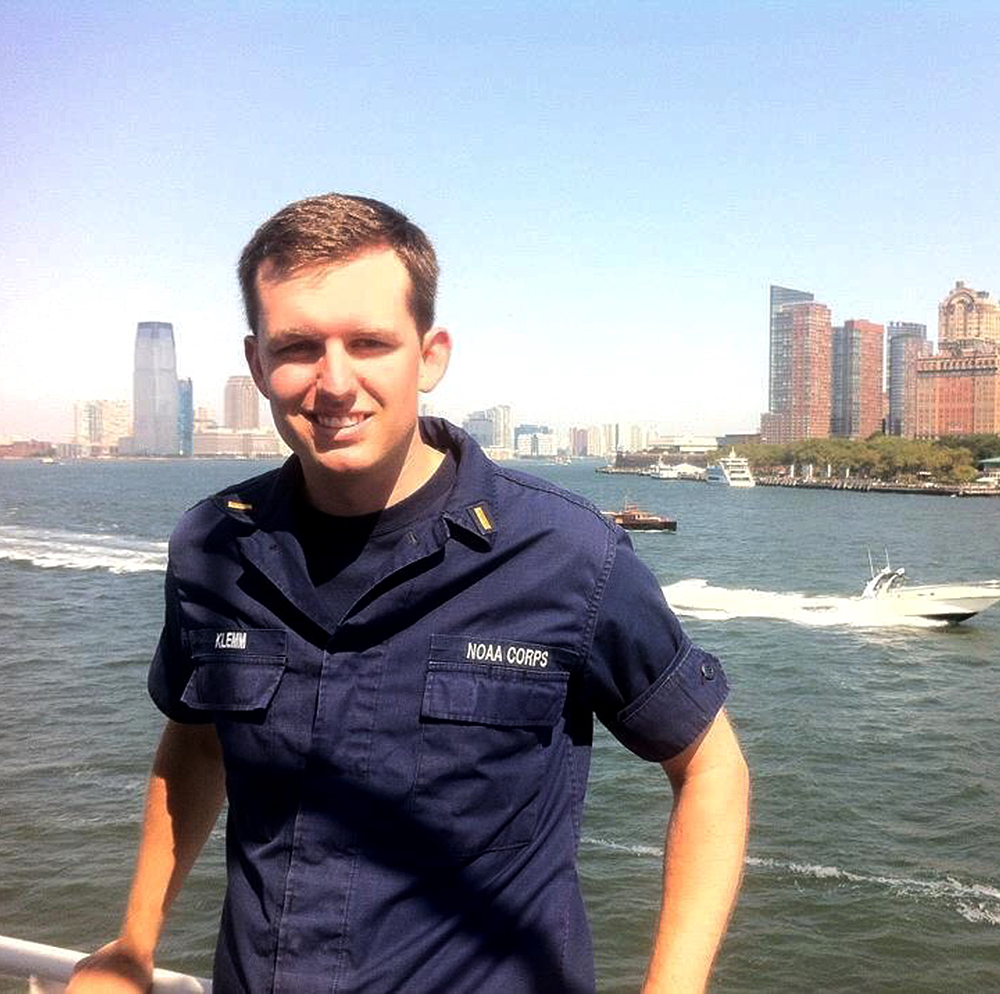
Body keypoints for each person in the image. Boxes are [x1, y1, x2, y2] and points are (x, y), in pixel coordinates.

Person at [68, 193, 749, 993]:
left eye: (369, 342)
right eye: (297, 346)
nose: (334, 381)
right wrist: (133, 944)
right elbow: (196, 739)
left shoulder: (569, 555)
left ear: (429, 355)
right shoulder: (211, 546)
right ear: (256, 364)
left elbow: (709, 765)